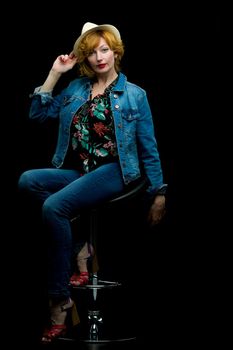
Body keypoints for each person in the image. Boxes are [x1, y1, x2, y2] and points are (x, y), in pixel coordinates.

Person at [18, 22, 167, 344]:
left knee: (54, 206)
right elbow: (38, 115)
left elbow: (148, 146)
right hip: (85, 172)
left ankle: (59, 300)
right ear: (85, 56)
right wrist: (55, 74)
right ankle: (82, 248)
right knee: (29, 181)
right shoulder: (75, 89)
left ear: (115, 52)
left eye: (105, 50)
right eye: (93, 51)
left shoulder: (134, 95)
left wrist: (159, 193)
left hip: (119, 171)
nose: (100, 57)